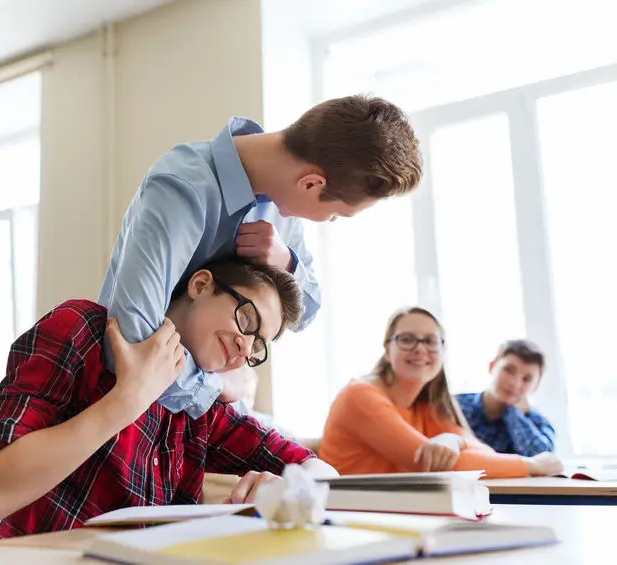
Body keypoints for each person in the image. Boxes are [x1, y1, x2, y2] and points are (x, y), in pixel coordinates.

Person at [0, 259, 338, 543]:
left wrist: (291, 485)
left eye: (259, 347)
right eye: (247, 319)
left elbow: (325, 474)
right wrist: (128, 398)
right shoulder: (83, 329)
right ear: (202, 285)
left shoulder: (200, 404)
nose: (245, 346)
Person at [99, 94, 423, 419]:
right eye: (338, 214)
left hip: (198, 420)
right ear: (311, 183)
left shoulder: (282, 208)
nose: (330, 221)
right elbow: (129, 342)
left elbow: (306, 311)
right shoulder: (181, 189)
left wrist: (286, 263)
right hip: (127, 416)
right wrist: (217, 385)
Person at [318, 307, 562, 478]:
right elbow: (437, 463)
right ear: (386, 348)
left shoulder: (424, 403)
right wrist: (530, 464)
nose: (420, 349)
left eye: (430, 341)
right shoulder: (360, 396)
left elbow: (481, 451)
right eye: (407, 339)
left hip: (390, 512)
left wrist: (453, 439)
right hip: (347, 516)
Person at [456, 340, 555, 456]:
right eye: (509, 370)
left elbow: (544, 459)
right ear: (492, 367)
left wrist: (514, 414)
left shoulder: (538, 423)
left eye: (527, 379)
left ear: (535, 387)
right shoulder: (456, 405)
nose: (515, 383)